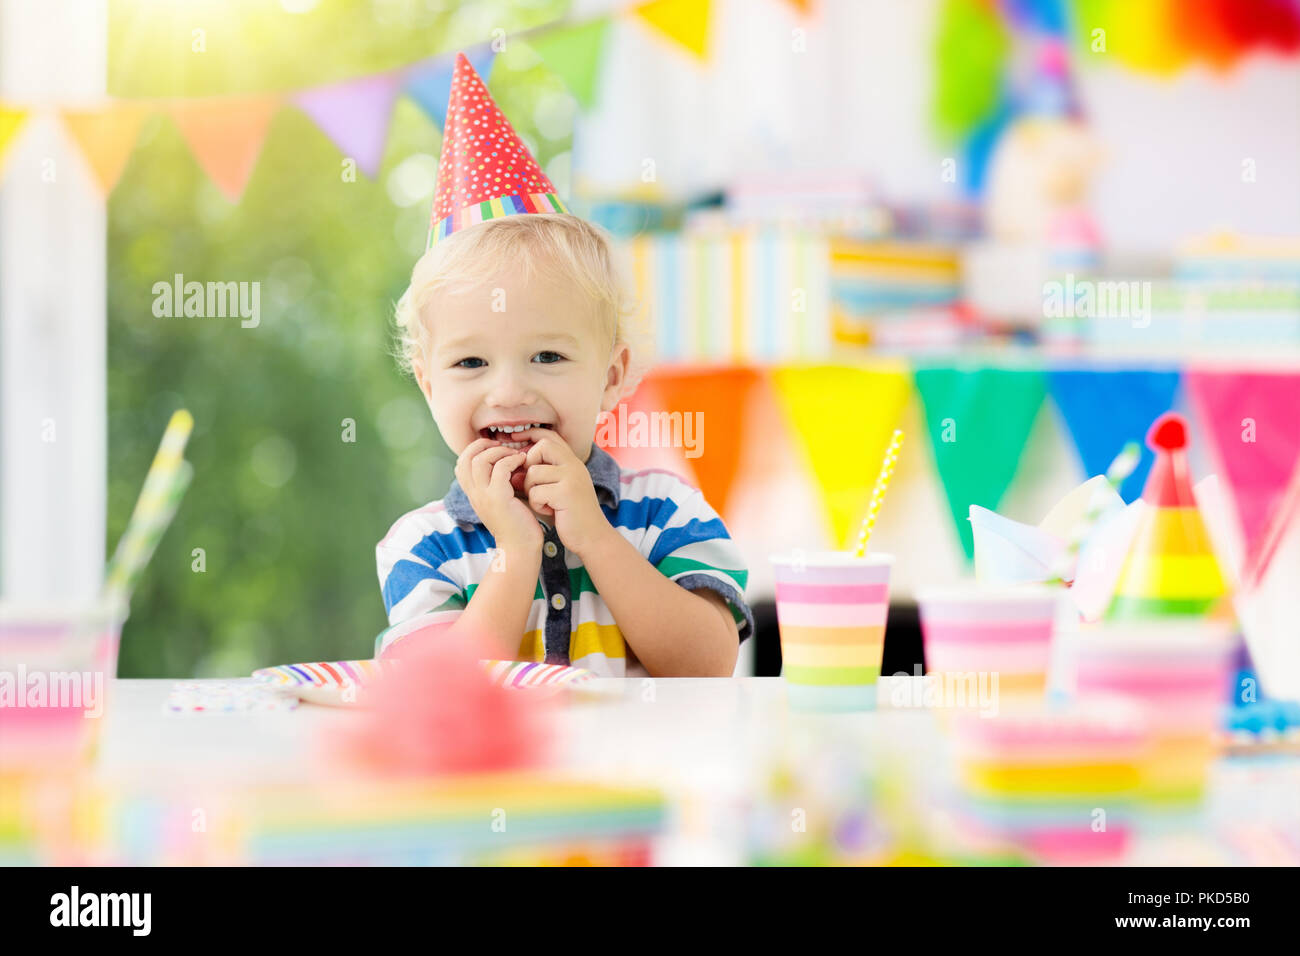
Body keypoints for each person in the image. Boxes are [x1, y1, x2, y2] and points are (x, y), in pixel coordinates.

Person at [374, 54, 754, 677]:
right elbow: (437, 691)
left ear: (610, 375)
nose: (509, 390)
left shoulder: (665, 512)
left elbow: (707, 666)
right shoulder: (423, 544)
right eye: (470, 361)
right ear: (427, 382)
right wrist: (516, 554)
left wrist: (598, 540)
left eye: (547, 356)